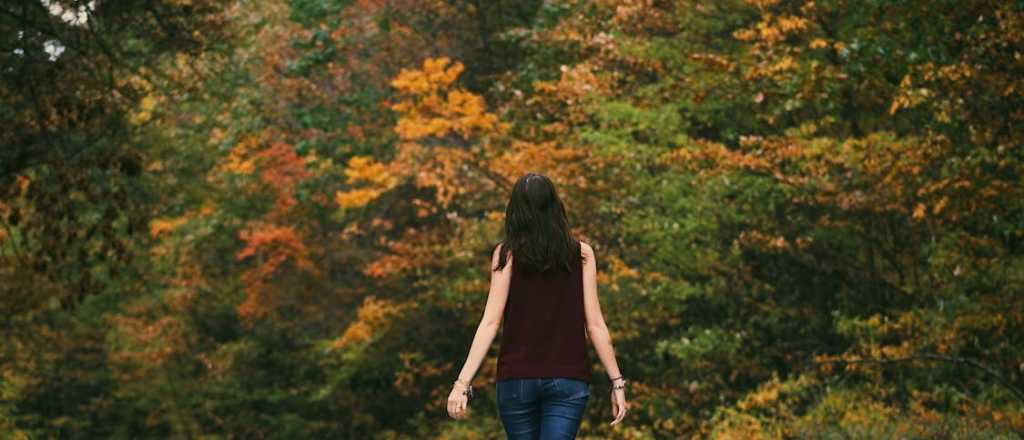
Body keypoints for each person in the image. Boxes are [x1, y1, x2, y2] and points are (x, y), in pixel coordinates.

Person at [446, 172, 629, 439]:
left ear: (515, 211)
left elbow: (490, 323)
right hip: (568, 378)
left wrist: (462, 384)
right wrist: (617, 383)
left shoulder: (506, 255)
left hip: (517, 379)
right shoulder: (581, 254)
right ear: (556, 207)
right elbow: (595, 325)